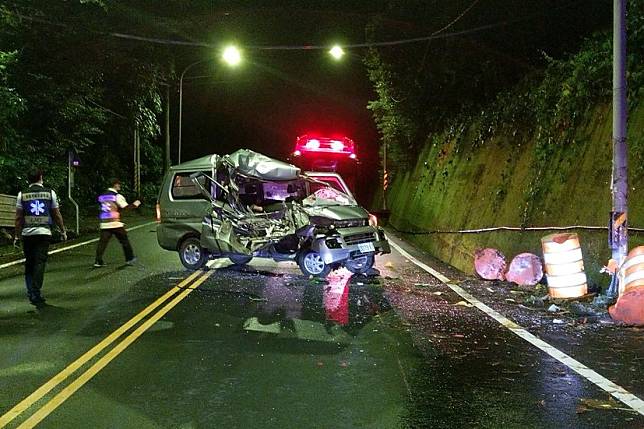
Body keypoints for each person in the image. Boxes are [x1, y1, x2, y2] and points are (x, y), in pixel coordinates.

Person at [14, 168, 67, 306]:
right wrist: (62, 230)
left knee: (29, 263)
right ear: (41, 178)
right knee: (39, 262)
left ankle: (31, 290)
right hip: (44, 233)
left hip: (28, 234)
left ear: (28, 180)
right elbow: (56, 214)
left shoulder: (22, 195)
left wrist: (17, 236)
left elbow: (19, 218)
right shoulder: (50, 193)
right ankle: (35, 292)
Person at [94, 178, 141, 267]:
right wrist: (136, 203)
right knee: (124, 241)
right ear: (115, 185)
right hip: (115, 223)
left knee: (102, 243)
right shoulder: (117, 196)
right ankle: (129, 259)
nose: (119, 186)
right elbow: (126, 208)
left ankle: (98, 261)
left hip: (104, 222)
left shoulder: (102, 196)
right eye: (118, 184)